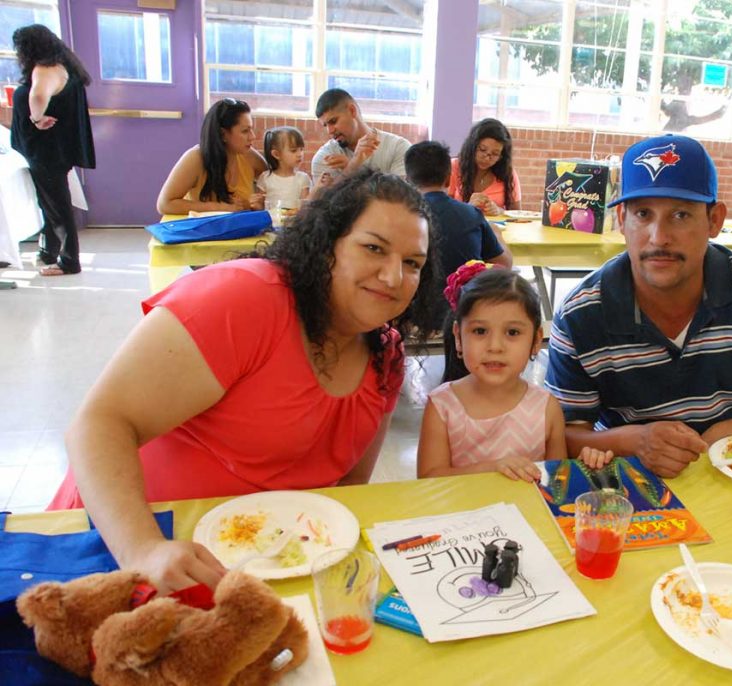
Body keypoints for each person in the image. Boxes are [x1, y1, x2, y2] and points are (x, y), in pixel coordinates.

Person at [49, 170, 440, 593]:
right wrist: (143, 549)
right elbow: (97, 424)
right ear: (327, 244)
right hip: (115, 549)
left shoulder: (386, 353)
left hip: (259, 567)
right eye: (373, 249)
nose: (393, 277)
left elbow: (344, 494)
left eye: (411, 264)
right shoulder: (246, 298)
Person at [545, 135, 732, 478]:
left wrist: (731, 432)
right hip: (633, 485)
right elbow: (564, 436)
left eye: (680, 215)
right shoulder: (581, 313)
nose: (659, 236)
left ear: (714, 220)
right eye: (643, 214)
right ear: (622, 219)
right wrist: (636, 441)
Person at [417, 264, 609, 481]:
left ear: (536, 340)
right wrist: (493, 468)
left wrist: (585, 466)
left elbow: (557, 481)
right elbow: (429, 480)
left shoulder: (546, 407)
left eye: (512, 332)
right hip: (462, 513)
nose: (495, 346)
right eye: (480, 331)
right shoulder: (442, 406)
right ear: (458, 337)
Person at [10, 24, 95, 276]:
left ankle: (69, 261)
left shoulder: (46, 69)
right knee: (50, 202)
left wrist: (36, 118)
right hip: (53, 149)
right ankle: (49, 251)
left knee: (57, 204)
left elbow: (37, 97)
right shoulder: (63, 66)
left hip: (46, 150)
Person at [404, 140, 512, 329]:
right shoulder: (471, 214)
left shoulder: (400, 217)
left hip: (409, 313)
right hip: (463, 312)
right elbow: (503, 265)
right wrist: (497, 235)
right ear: (448, 179)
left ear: (407, 180)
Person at [156, 98, 267, 216]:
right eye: (245, 131)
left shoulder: (249, 156)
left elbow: (275, 185)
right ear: (223, 134)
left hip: (241, 229)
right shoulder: (196, 158)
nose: (252, 137)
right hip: (205, 230)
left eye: (251, 129)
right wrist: (219, 207)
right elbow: (164, 204)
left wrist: (262, 203)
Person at [310, 88, 410, 188]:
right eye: (325, 125)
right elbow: (326, 202)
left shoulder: (398, 148)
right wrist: (352, 167)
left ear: (352, 111)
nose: (330, 131)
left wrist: (355, 169)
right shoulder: (324, 157)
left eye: (333, 121)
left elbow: (398, 198)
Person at [449, 118, 522, 216]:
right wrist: (468, 208)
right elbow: (442, 211)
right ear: (472, 146)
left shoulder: (508, 173)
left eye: (495, 154)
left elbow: (517, 215)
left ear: (502, 156)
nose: (487, 158)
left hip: (496, 230)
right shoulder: (453, 167)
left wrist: (500, 211)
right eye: (483, 150)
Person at [256, 125, 311, 219]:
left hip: (294, 225)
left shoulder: (303, 178)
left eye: (301, 149)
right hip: (270, 225)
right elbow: (261, 208)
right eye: (293, 150)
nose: (300, 154)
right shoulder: (265, 178)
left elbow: (305, 207)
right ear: (276, 154)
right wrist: (256, 205)